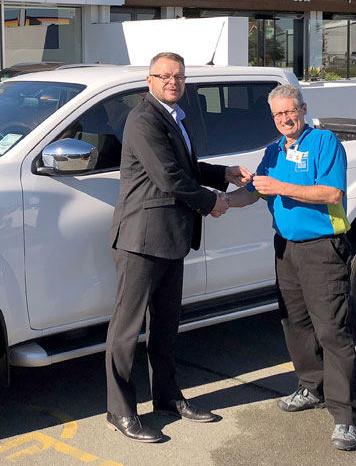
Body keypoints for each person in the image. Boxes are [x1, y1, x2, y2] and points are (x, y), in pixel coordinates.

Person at [105, 51, 252, 442]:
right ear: (149, 81)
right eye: (165, 76)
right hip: (140, 240)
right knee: (126, 330)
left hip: (170, 238)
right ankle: (119, 411)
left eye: (179, 77)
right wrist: (211, 201)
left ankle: (167, 398)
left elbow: (184, 168)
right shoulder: (143, 119)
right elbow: (169, 178)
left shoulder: (173, 117)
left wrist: (224, 174)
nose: (173, 82)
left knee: (165, 327)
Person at [225, 84, 356, 451]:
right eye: (278, 115)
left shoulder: (324, 142)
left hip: (322, 248)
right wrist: (218, 200)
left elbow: (332, 193)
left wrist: (281, 186)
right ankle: (311, 387)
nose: (286, 119)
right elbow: (254, 191)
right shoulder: (272, 152)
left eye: (291, 111)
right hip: (285, 248)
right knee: (296, 323)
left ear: (303, 109)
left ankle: (347, 417)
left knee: (332, 330)